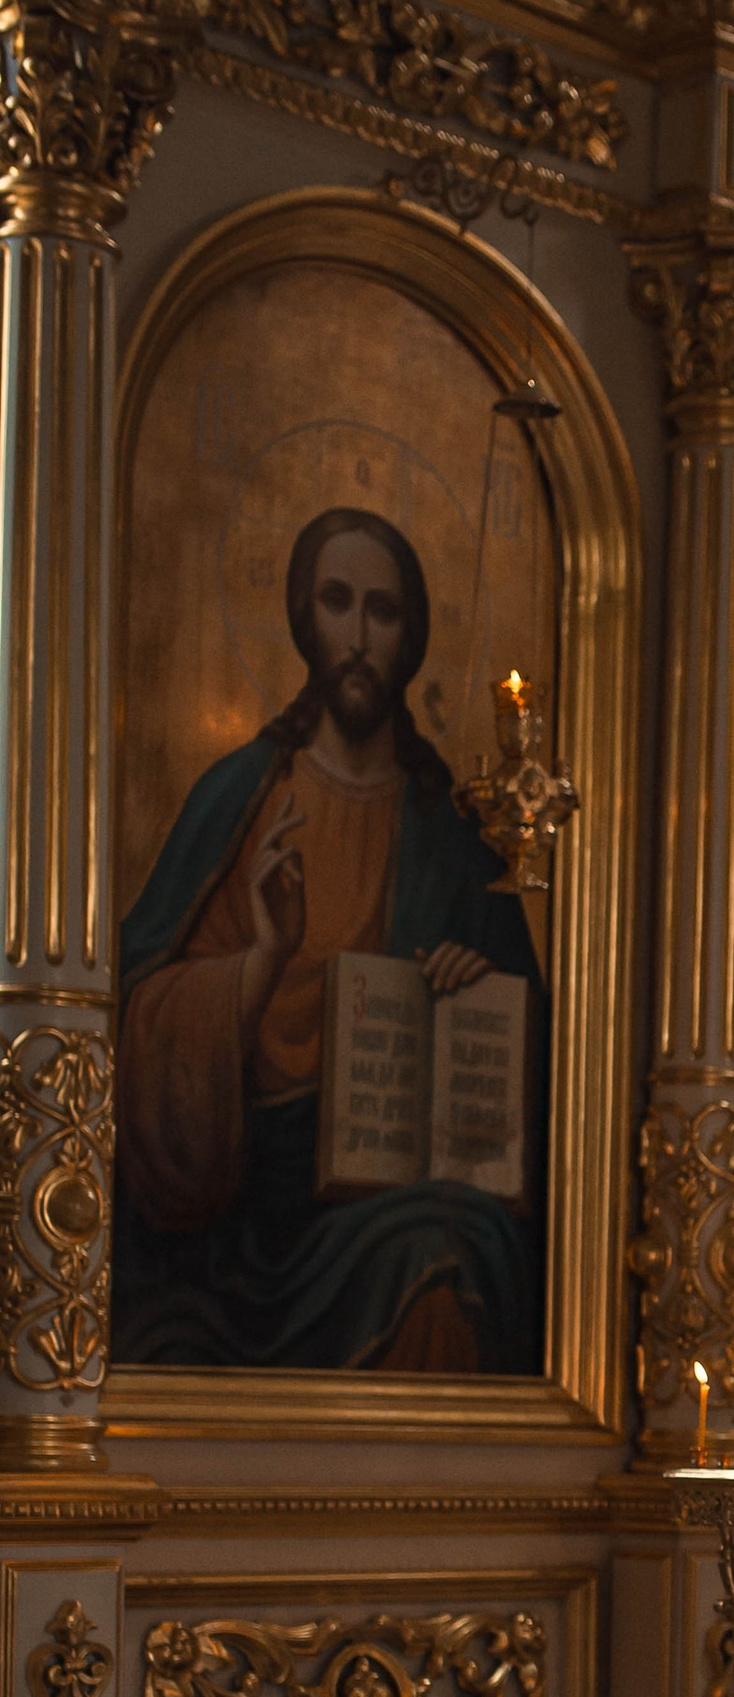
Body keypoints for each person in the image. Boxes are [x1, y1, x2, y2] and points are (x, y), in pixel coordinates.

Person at [115, 506, 544, 1371]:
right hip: (247, 1205)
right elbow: (135, 1013)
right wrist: (261, 961)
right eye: (337, 602)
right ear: (302, 619)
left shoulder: (455, 840)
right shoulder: (239, 800)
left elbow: (534, 1062)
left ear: (411, 633)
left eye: (382, 611)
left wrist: (476, 994)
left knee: (448, 1255)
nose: (357, 634)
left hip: (394, 1194)